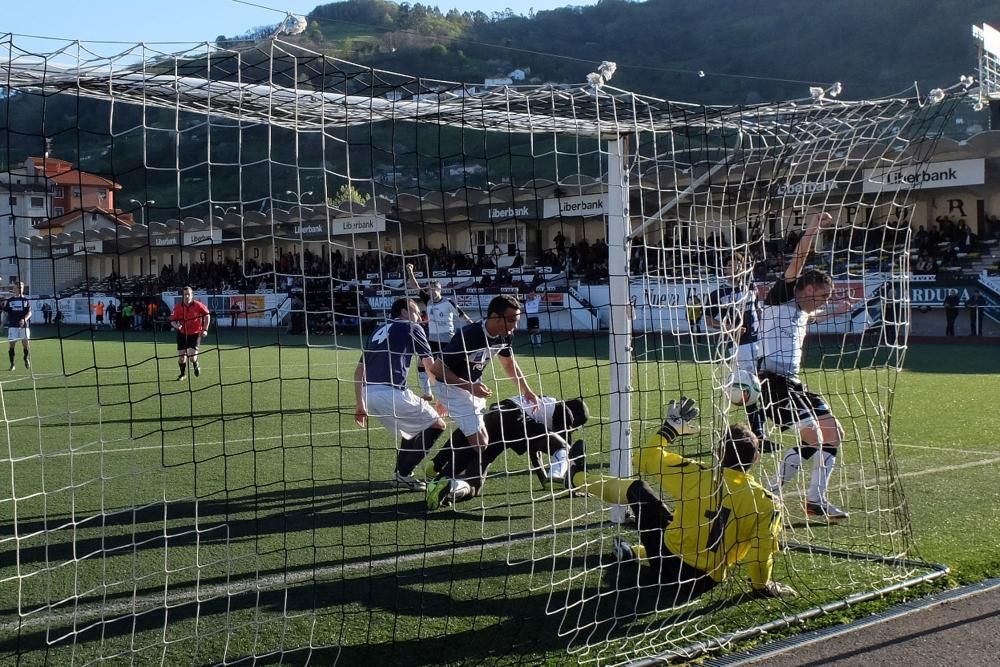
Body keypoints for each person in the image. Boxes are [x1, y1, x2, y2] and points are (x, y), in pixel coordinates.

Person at [563, 397, 797, 605]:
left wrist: (669, 430)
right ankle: (633, 553)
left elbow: (644, 459)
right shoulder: (767, 503)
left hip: (668, 568)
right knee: (683, 522)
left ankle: (575, 477)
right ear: (756, 458)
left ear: (718, 451)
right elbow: (760, 554)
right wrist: (762, 586)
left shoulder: (696, 473)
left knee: (639, 490)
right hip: (704, 582)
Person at [758, 211, 853, 521]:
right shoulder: (780, 298)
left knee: (832, 432)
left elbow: (811, 317)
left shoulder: (800, 311)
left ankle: (809, 499)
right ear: (809, 290)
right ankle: (775, 492)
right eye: (823, 297)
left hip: (792, 383)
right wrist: (812, 229)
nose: (823, 301)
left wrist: (838, 309)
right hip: (771, 382)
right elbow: (798, 261)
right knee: (817, 436)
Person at [424, 395, 590, 510]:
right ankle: (558, 476)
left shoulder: (545, 402)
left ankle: (447, 488)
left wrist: (544, 480)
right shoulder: (564, 414)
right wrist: (566, 485)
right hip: (513, 417)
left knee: (474, 486)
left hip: (489, 419)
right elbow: (551, 443)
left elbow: (535, 451)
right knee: (563, 449)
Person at [353, 297, 446, 491]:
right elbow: (429, 365)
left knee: (412, 429)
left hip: (369, 394)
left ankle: (400, 474)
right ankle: (404, 474)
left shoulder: (377, 330)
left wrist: (360, 405)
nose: (420, 316)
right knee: (437, 424)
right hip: (390, 393)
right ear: (404, 312)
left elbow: (359, 370)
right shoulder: (412, 327)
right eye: (415, 311)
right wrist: (442, 397)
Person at [433, 294, 538, 455]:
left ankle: (437, 467)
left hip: (472, 386)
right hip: (451, 386)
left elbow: (508, 363)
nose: (515, 326)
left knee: (478, 430)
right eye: (511, 320)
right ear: (495, 317)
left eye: (517, 320)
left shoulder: (506, 336)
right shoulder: (470, 335)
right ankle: (451, 476)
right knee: (481, 442)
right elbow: (437, 368)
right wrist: (469, 387)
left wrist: (526, 390)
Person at [704, 250, 771, 447]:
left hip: (761, 344)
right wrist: (727, 327)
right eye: (728, 265)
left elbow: (758, 312)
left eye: (736, 265)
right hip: (740, 347)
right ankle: (759, 436)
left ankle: (762, 432)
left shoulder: (751, 288)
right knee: (751, 391)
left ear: (742, 269)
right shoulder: (718, 293)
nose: (732, 269)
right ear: (724, 269)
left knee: (766, 387)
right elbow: (708, 319)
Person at [405, 263, 474, 401]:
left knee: (447, 369)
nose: (430, 291)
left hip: (447, 340)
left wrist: (473, 326)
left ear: (439, 289)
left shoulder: (448, 302)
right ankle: (427, 393)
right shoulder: (428, 301)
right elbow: (415, 285)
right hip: (431, 340)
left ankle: (463, 390)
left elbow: (462, 315)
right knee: (421, 364)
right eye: (429, 289)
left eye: (433, 289)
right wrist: (410, 271)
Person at [170, 286, 211, 381]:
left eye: (188, 294)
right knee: (181, 358)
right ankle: (182, 374)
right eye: (185, 294)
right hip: (182, 334)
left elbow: (207, 315)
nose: (187, 296)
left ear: (192, 295)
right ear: (182, 296)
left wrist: (205, 329)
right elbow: (172, 320)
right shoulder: (178, 307)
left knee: (192, 358)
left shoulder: (198, 305)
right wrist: (177, 326)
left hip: (195, 334)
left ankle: (196, 364)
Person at [4, 282, 32, 371]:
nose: (20, 289)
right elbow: (6, 313)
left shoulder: (26, 300)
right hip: (13, 326)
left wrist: (24, 319)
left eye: (22, 287)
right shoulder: (10, 300)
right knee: (12, 346)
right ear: (14, 289)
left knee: (26, 344)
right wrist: (2, 323)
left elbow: (30, 312)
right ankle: (12, 364)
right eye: (18, 287)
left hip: (24, 326)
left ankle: (25, 358)